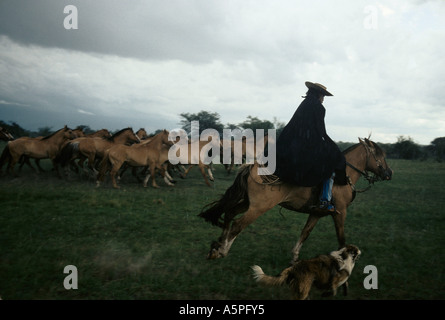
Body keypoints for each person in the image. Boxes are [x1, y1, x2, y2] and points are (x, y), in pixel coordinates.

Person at [274, 81, 347, 212]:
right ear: (319, 94)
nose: (323, 99)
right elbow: (321, 132)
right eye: (323, 96)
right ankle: (325, 200)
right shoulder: (319, 107)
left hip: (290, 144)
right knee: (330, 164)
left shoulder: (304, 103)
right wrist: (332, 146)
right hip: (306, 145)